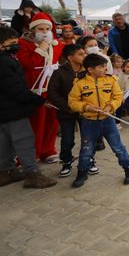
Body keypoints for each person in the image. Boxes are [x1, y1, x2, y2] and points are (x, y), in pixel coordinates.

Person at [0, 27, 57, 189]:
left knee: (7, 141)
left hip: (0, 108)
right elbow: (15, 89)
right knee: (24, 139)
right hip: (10, 108)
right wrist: (39, 100)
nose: (16, 45)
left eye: (16, 41)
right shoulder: (0, 62)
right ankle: (32, 174)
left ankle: (7, 172)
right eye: (11, 43)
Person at [68, 54, 129, 188]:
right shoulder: (80, 83)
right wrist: (86, 107)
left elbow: (118, 96)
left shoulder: (111, 80)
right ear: (90, 70)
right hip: (89, 122)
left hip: (108, 120)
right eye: (101, 67)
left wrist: (111, 106)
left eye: (105, 66)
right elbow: (72, 102)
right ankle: (82, 173)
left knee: (118, 147)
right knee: (86, 149)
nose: (105, 69)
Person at [47, 44, 100, 178]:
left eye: (84, 53)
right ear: (70, 57)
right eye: (80, 54)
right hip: (66, 112)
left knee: (88, 138)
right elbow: (52, 93)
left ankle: (89, 160)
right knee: (67, 139)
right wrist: (68, 106)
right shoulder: (59, 72)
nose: (84, 56)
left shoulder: (89, 71)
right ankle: (66, 161)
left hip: (86, 112)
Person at [17, 12, 64, 163]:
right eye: (40, 29)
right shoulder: (24, 43)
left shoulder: (57, 45)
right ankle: (32, 154)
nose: (44, 32)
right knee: (35, 124)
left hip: (52, 90)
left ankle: (48, 150)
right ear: (33, 30)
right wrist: (41, 49)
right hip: (34, 91)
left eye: (47, 29)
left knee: (52, 122)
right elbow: (27, 65)